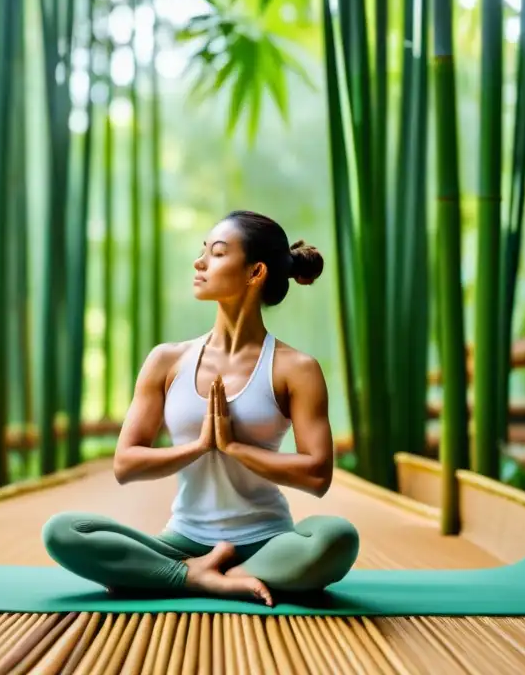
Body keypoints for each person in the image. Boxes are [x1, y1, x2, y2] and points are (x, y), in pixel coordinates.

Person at [42, 210, 359, 606]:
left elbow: (317, 475)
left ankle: (198, 577)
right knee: (63, 531)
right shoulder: (167, 361)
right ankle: (195, 576)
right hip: (183, 542)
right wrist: (199, 446)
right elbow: (125, 463)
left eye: (218, 252)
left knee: (337, 538)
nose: (200, 261)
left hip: (267, 544)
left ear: (255, 272)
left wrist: (234, 447)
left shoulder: (295, 369)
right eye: (202, 251)